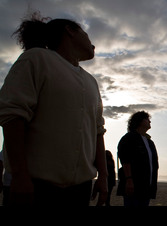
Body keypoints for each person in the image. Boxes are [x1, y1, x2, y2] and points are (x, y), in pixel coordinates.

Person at [0, 12, 108, 206]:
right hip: (37, 186)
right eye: (85, 32)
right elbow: (12, 115)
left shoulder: (91, 81)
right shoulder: (36, 59)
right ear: (70, 31)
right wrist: (20, 175)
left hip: (80, 188)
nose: (92, 43)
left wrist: (103, 177)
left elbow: (97, 131)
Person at [117, 111, 159, 206]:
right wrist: (129, 180)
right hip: (134, 185)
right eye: (147, 119)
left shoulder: (149, 142)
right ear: (139, 121)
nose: (149, 121)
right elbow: (125, 160)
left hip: (146, 187)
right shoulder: (129, 138)